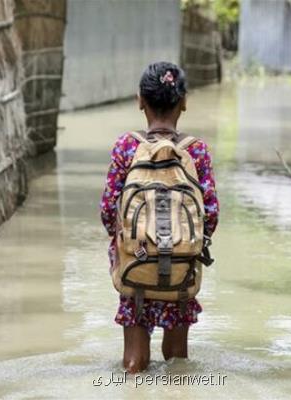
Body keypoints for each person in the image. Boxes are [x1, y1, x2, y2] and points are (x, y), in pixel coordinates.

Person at [100, 61, 219, 373]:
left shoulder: (127, 147)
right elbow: (211, 215)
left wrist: (132, 243)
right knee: (177, 360)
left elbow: (108, 210)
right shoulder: (197, 151)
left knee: (134, 362)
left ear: (141, 100)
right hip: (181, 267)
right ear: (184, 102)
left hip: (136, 262)